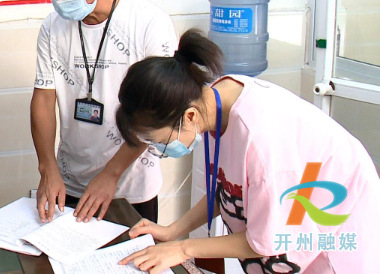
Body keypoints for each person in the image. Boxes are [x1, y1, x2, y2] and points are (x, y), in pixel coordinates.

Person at [115, 29, 380, 273]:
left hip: (335, 244)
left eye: (157, 141)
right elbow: (228, 189)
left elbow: (268, 241)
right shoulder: (215, 100)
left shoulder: (262, 142)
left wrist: (182, 248)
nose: (159, 148)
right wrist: (174, 230)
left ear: (190, 116)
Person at [31, 0, 178, 224]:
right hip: (69, 182)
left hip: (130, 185)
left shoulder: (148, 23)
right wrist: (48, 168)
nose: (60, 2)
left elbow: (159, 112)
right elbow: (43, 100)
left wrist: (111, 174)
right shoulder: (53, 27)